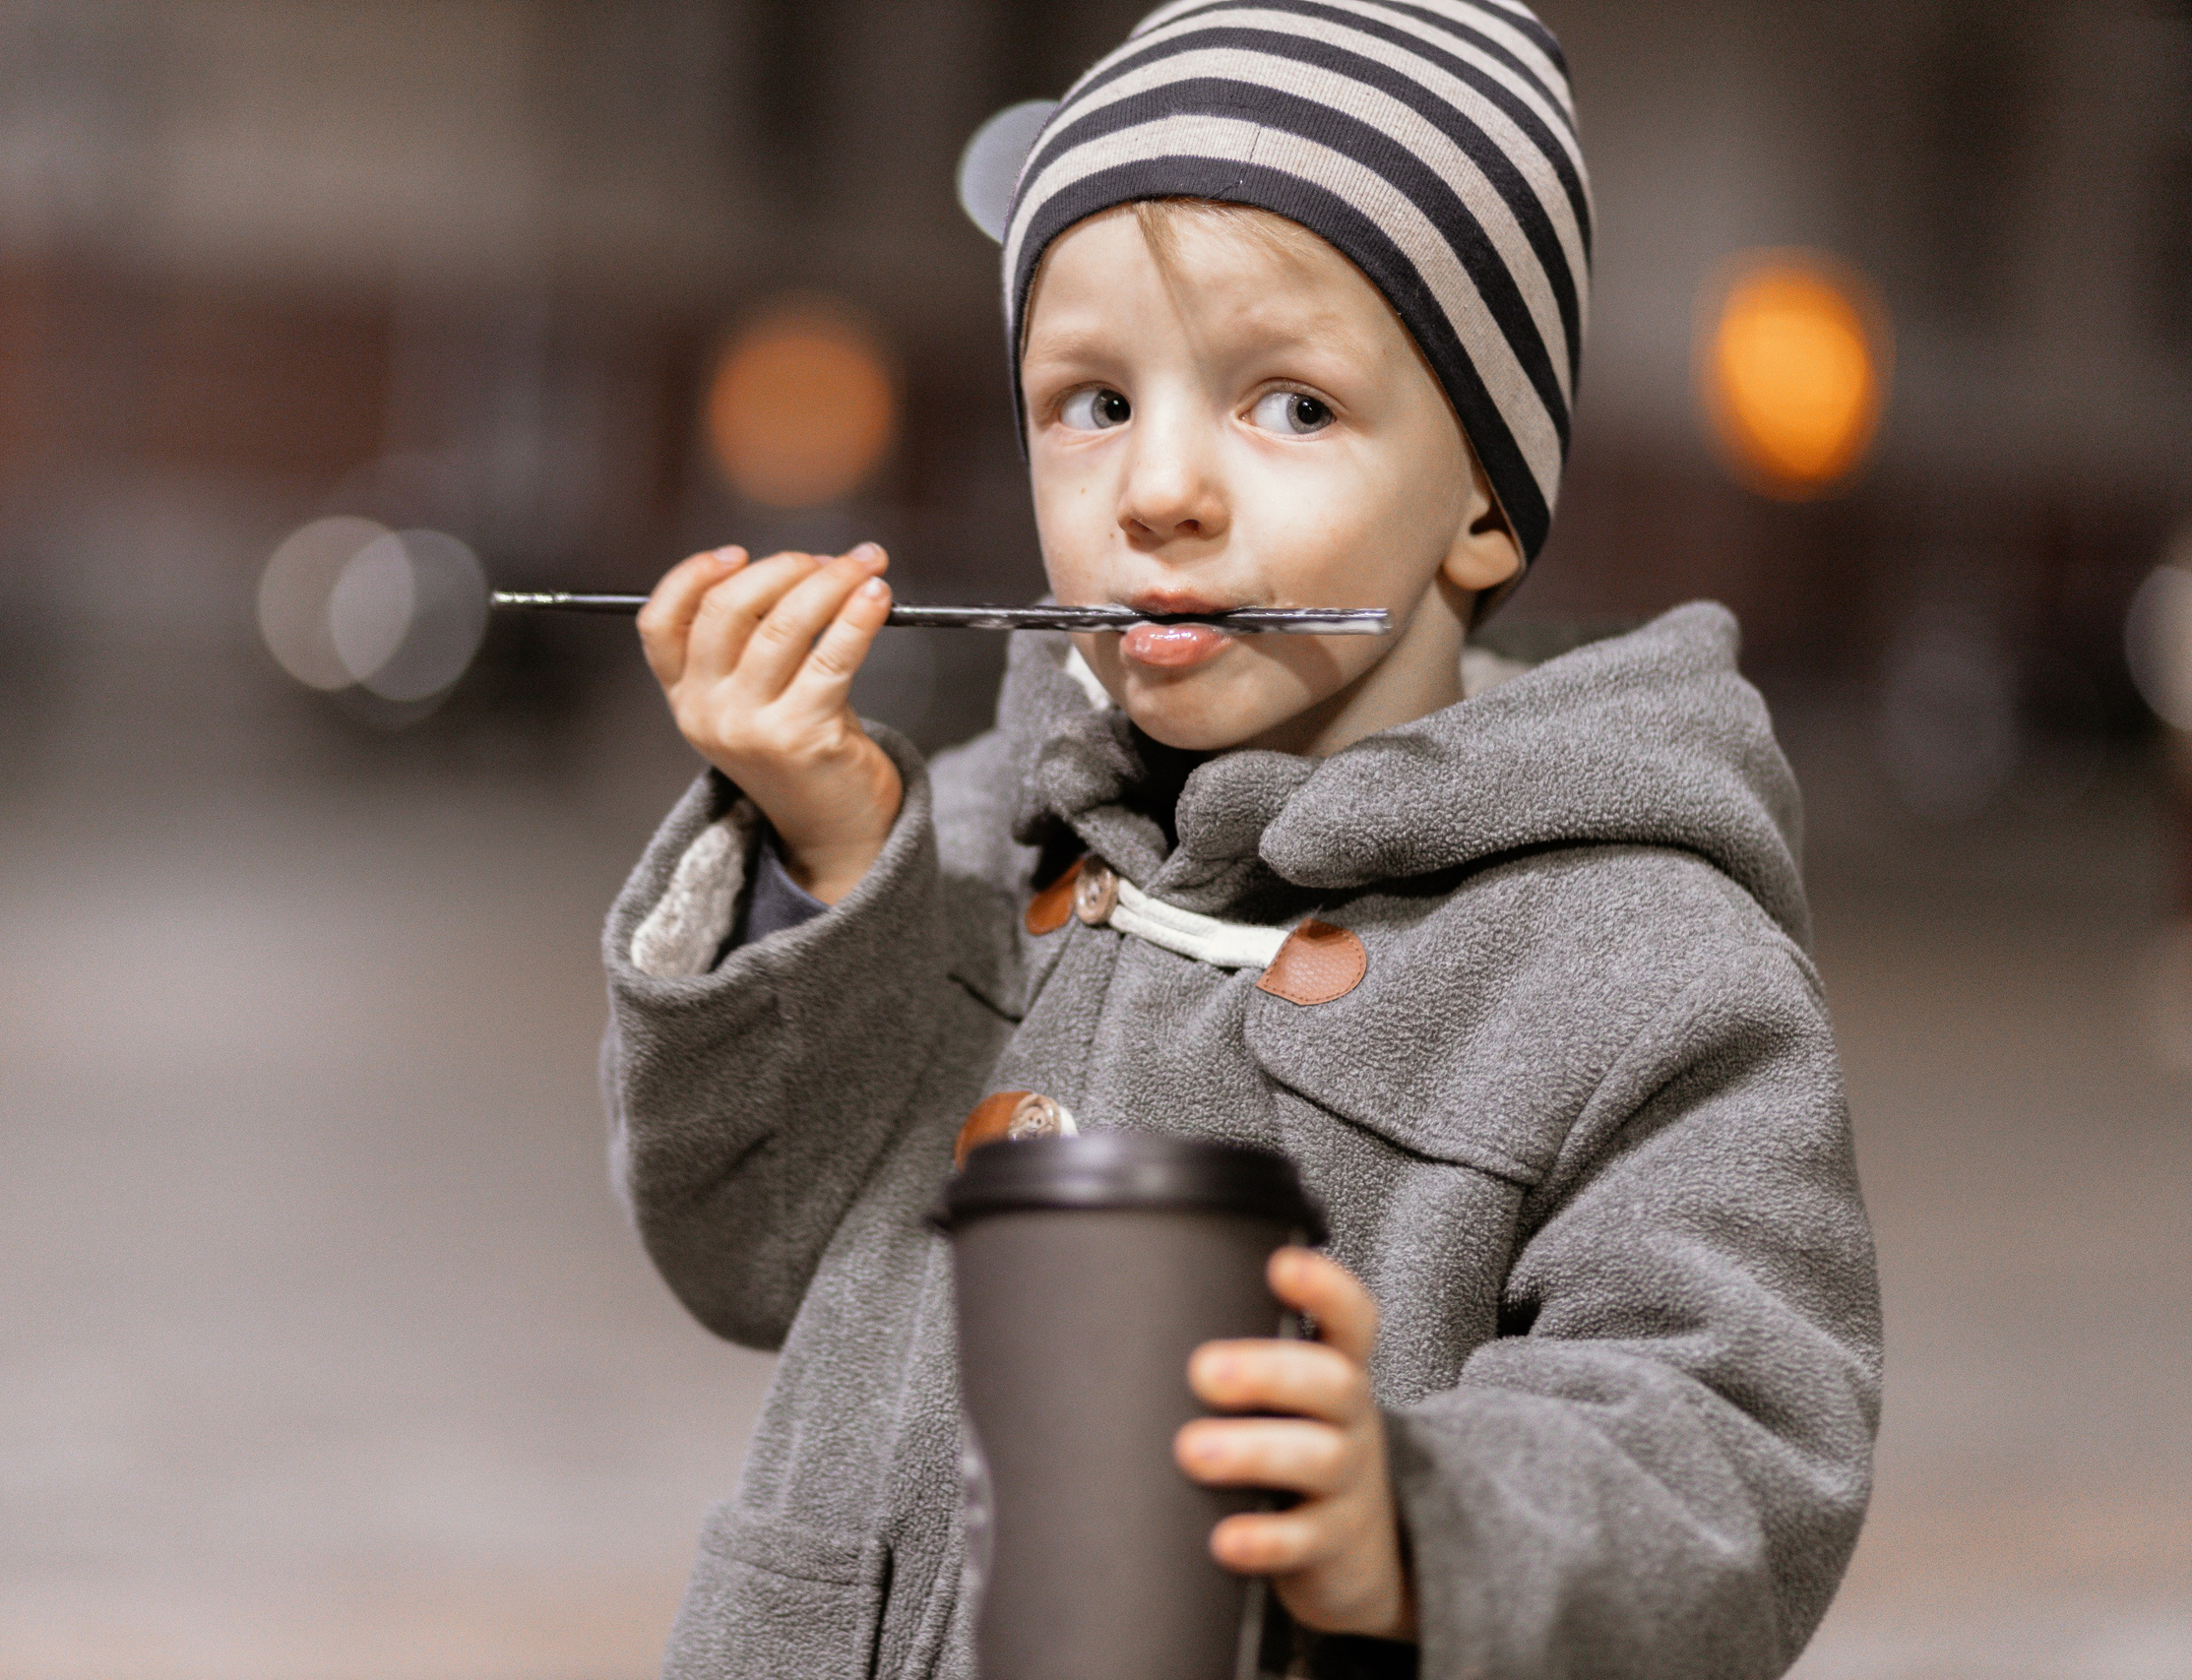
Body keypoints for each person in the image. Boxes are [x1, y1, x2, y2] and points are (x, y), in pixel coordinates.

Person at [599, 3, 1880, 1676]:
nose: (1160, 491)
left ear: (1485, 500)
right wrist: (828, 870)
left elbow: (1739, 1437)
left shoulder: (1635, 954)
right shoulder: (979, 842)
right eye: (1090, 402)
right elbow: (741, 1252)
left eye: (1288, 406)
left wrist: (1422, 1518)